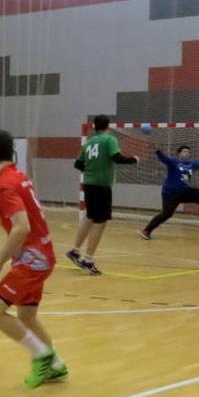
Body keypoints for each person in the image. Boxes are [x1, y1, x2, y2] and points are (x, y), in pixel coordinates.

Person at [0, 129, 67, 388]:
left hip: (32, 260)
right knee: (27, 316)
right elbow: (23, 215)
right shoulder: (18, 176)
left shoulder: (4, 184)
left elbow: (21, 227)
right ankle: (56, 365)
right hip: (43, 255)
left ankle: (42, 355)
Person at [67, 115, 138, 276]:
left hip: (89, 184)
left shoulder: (90, 142)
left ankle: (75, 250)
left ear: (94, 127)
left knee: (90, 217)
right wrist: (134, 159)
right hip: (101, 186)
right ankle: (88, 259)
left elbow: (78, 164)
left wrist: (92, 170)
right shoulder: (109, 139)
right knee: (100, 221)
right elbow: (116, 158)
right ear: (108, 126)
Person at [140, 145, 199, 239]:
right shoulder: (174, 161)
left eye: (188, 152)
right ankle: (146, 231)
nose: (187, 153)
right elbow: (164, 159)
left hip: (184, 192)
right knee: (167, 214)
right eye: (184, 151)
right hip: (170, 193)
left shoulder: (190, 164)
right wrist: (158, 151)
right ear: (179, 154)